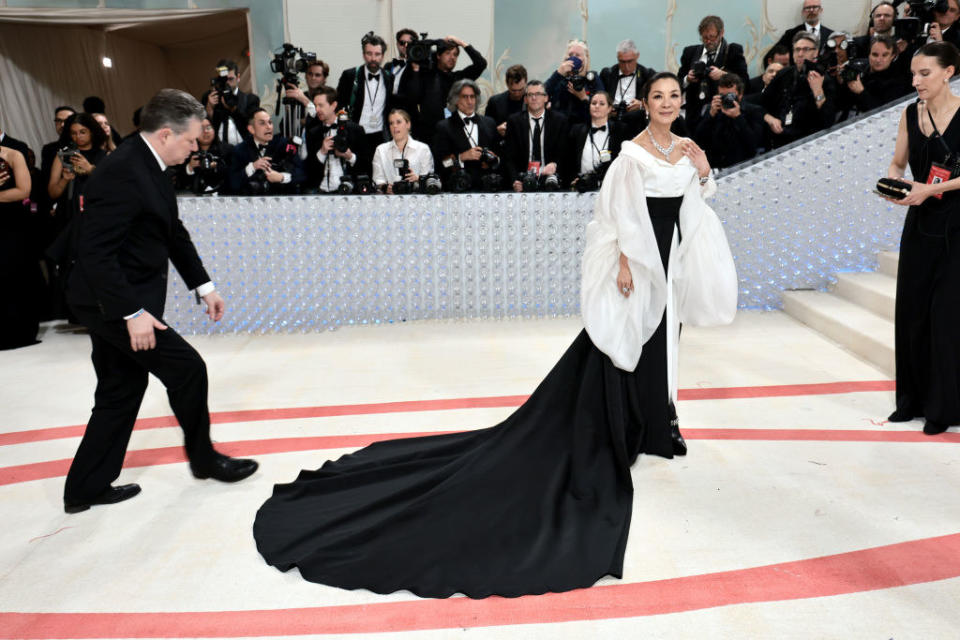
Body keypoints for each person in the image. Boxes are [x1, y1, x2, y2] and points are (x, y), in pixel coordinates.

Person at [253, 71, 738, 599]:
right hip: (641, 260)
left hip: (673, 260)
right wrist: (623, 263)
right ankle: (626, 429)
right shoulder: (632, 153)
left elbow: (699, 201)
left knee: (666, 341)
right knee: (629, 345)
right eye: (658, 97)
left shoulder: (689, 148)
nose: (666, 104)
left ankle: (659, 424)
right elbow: (615, 213)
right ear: (644, 103)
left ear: (681, 101)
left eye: (673, 97)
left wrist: (705, 170)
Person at [62, 89, 258, 514]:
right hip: (110, 302)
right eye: (190, 140)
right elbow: (95, 254)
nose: (194, 148)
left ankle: (85, 488)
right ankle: (204, 461)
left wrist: (204, 287)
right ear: (166, 134)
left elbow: (171, 232)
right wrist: (132, 314)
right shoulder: (120, 172)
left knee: (120, 388)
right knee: (188, 370)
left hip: (118, 299)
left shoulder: (148, 163)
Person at [883, 42, 960, 435]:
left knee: (945, 317)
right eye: (913, 74)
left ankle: (941, 408)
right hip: (920, 222)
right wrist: (895, 183)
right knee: (911, 312)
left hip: (957, 224)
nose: (916, 81)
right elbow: (899, 162)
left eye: (924, 73)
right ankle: (909, 401)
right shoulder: (909, 113)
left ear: (948, 72)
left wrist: (929, 190)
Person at [401, 35, 488, 143]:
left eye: (455, 54)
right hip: (428, 135)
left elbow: (481, 64)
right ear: (438, 55)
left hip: (453, 134)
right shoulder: (425, 75)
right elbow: (411, 97)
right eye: (448, 53)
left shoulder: (458, 78)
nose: (452, 57)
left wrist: (460, 42)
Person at [762, 32, 836, 147]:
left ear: (815, 52)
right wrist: (769, 118)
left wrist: (818, 91)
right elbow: (761, 102)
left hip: (808, 142)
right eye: (797, 50)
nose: (800, 54)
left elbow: (828, 121)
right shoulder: (784, 73)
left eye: (806, 49)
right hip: (779, 139)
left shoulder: (825, 80)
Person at [335, 32, 395, 176]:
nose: (373, 58)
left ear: (382, 56)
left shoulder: (389, 77)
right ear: (363, 54)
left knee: (380, 176)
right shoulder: (350, 75)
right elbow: (338, 104)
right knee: (356, 175)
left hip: (380, 135)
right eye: (369, 53)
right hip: (356, 134)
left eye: (377, 54)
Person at [0, 144, 41, 350]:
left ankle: (20, 331)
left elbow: (24, 190)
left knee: (13, 275)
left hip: (10, 224)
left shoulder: (13, 154)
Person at [678, 16, 749, 133]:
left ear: (721, 33)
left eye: (712, 37)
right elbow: (678, 82)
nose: (708, 41)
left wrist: (724, 75)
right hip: (694, 115)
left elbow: (745, 82)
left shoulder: (733, 51)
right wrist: (687, 79)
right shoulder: (690, 52)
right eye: (704, 38)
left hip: (722, 114)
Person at [431, 79, 500, 191]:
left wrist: (493, 161)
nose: (470, 101)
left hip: (487, 188)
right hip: (457, 189)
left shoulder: (489, 123)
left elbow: (501, 156)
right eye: (465, 97)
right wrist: (461, 157)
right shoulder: (443, 127)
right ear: (456, 100)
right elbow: (440, 164)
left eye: (472, 97)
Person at [503, 80, 568, 190]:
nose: (534, 98)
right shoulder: (514, 121)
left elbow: (565, 153)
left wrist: (555, 165)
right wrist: (515, 180)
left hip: (551, 180)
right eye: (530, 95)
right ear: (525, 99)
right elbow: (509, 157)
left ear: (546, 98)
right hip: (523, 181)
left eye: (538, 94)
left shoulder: (560, 120)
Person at [227, 108, 305, 195]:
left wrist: (282, 177)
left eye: (270, 122)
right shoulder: (239, 150)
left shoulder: (284, 145)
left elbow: (302, 174)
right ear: (251, 129)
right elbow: (233, 183)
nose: (268, 127)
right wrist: (252, 167)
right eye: (262, 123)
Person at [695, 73, 764, 169]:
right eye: (722, 95)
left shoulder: (754, 111)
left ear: (740, 94)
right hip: (716, 166)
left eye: (730, 95)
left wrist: (738, 117)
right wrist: (710, 115)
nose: (726, 99)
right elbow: (699, 138)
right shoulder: (714, 110)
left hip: (743, 165)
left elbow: (754, 143)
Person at [304, 87, 365, 194]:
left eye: (321, 105)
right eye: (315, 105)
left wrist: (350, 157)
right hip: (320, 192)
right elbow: (309, 171)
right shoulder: (312, 133)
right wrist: (322, 152)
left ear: (333, 105)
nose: (317, 109)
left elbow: (366, 165)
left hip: (350, 192)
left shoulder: (355, 130)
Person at [837, 36, 912, 119]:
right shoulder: (858, 66)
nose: (879, 60)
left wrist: (861, 92)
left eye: (884, 55)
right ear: (869, 54)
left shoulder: (897, 80)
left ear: (892, 56)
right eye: (875, 55)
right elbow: (840, 102)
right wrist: (840, 82)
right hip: (846, 118)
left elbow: (884, 113)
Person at [564, 90, 627, 189]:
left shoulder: (620, 130)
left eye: (602, 104)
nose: (597, 106)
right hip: (582, 187)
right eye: (593, 103)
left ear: (609, 108)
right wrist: (574, 179)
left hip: (611, 187)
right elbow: (569, 161)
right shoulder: (577, 131)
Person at [599, 39, 656, 138]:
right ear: (617, 58)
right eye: (622, 62)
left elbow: (658, 102)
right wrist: (607, 108)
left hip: (637, 127)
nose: (626, 66)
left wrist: (641, 105)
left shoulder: (648, 75)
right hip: (611, 125)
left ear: (637, 56)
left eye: (630, 61)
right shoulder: (607, 74)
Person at [200, 59, 261, 147]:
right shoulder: (209, 98)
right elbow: (202, 129)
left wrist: (233, 109)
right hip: (218, 151)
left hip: (244, 152)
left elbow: (252, 128)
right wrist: (209, 108)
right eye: (223, 80)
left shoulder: (250, 99)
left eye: (230, 79)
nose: (227, 83)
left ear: (238, 77)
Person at [372, 109, 434, 192]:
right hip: (388, 199)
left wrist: (418, 179)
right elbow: (377, 179)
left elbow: (430, 180)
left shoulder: (423, 149)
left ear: (408, 124)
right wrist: (385, 187)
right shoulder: (381, 150)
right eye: (391, 123)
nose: (394, 126)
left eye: (398, 122)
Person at [544, 39, 604, 125]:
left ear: (585, 59)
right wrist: (559, 73)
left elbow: (603, 106)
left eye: (578, 55)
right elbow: (541, 94)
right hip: (559, 127)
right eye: (571, 54)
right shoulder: (559, 77)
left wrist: (584, 97)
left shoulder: (592, 78)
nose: (574, 57)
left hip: (583, 127)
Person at [485, 64, 528, 135]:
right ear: (507, 84)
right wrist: (497, 131)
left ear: (526, 83)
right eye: (513, 90)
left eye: (521, 90)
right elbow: (486, 131)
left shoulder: (533, 101)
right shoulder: (495, 102)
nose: (517, 94)